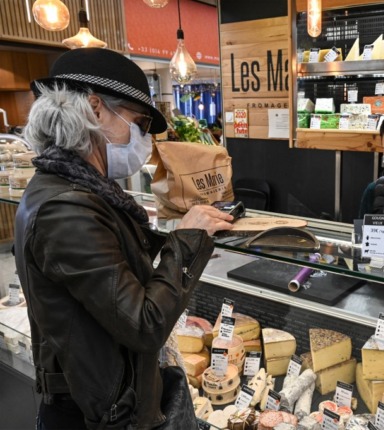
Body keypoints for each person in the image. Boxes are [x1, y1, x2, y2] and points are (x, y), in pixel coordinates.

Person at [14, 48, 234, 429]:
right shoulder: (66, 209)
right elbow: (144, 324)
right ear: (96, 110)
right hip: (95, 417)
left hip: (104, 404)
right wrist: (185, 240)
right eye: (139, 123)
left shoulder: (77, 191)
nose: (144, 139)